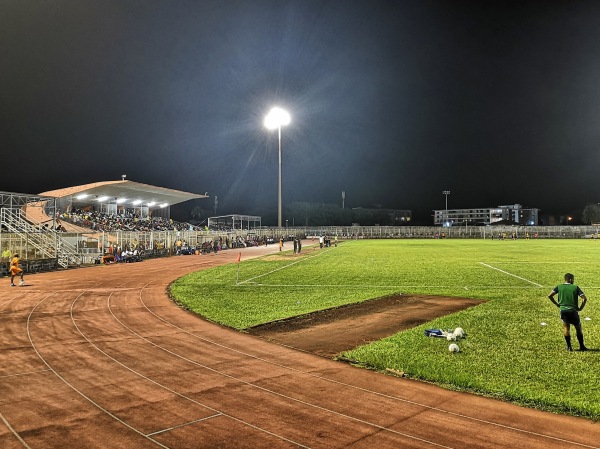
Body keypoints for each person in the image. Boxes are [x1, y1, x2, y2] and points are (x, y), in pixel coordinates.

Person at [548, 273, 588, 351]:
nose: (573, 280)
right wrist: (580, 308)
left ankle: (569, 347)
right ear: (570, 279)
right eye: (573, 279)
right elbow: (584, 298)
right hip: (573, 311)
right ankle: (582, 346)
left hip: (563, 310)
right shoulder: (575, 287)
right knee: (578, 328)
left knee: (566, 327)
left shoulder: (559, 287)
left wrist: (556, 304)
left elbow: (549, 295)